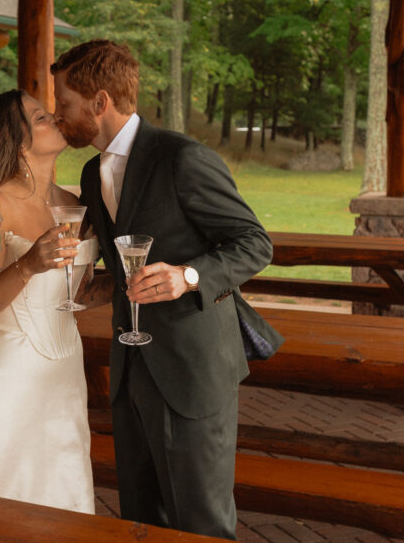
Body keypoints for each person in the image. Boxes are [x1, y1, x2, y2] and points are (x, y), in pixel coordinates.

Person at [51, 39, 283, 538]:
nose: (58, 114)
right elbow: (116, 268)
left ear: (100, 102)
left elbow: (254, 243)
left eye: (64, 104)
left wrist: (188, 276)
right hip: (130, 367)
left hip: (192, 367)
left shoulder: (182, 158)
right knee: (140, 518)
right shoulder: (93, 174)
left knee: (200, 522)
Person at [0, 90, 98, 513]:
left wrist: (135, 283)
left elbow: (77, 294)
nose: (54, 117)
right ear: (15, 141)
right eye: (39, 117)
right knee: (1, 496)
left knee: (65, 490)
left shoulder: (72, 205)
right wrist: (28, 264)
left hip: (64, 368)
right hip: (9, 373)